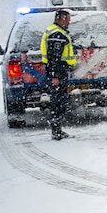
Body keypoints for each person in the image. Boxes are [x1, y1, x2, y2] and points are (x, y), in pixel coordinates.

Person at [40, 9, 76, 140]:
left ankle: (57, 129)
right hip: (57, 71)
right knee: (58, 101)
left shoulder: (56, 31)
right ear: (61, 19)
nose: (69, 22)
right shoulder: (57, 34)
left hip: (58, 70)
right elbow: (53, 57)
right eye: (68, 19)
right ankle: (56, 130)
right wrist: (54, 75)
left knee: (59, 100)